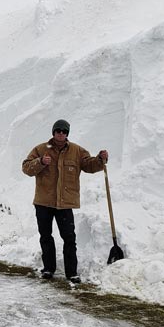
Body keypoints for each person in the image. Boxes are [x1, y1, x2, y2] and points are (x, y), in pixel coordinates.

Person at [21, 119, 108, 283]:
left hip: (65, 203)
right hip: (43, 203)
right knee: (46, 237)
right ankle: (48, 269)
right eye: (58, 130)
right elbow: (26, 168)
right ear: (53, 132)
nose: (61, 133)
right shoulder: (40, 149)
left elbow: (89, 165)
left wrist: (99, 160)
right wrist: (40, 162)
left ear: (67, 134)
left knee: (69, 239)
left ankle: (72, 273)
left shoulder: (76, 151)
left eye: (64, 131)